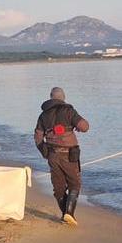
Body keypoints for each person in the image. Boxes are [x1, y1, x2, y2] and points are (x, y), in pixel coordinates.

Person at [34, 87, 89, 226]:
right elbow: (85, 127)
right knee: (74, 184)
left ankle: (65, 215)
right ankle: (69, 214)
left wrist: (45, 152)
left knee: (58, 188)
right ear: (63, 98)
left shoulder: (43, 116)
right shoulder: (69, 111)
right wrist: (75, 125)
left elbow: (38, 137)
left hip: (52, 155)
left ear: (51, 97)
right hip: (69, 155)